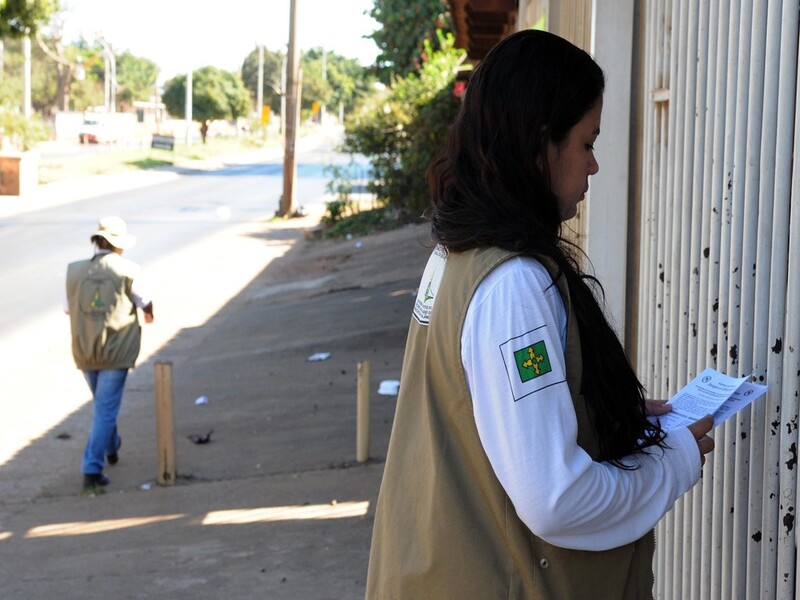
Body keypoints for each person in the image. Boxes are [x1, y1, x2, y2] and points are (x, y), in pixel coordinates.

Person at [365, 29, 714, 599]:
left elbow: (489, 413)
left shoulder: (456, 253)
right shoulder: (513, 285)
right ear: (538, 144)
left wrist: (603, 415)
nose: (595, 165)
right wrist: (673, 462)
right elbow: (557, 499)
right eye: (586, 142)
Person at [65, 216, 154, 493]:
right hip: (116, 352)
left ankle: (112, 446)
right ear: (119, 246)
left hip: (85, 350)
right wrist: (149, 312)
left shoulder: (75, 272)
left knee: (103, 407)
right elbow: (144, 300)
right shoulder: (127, 270)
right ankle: (91, 469)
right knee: (105, 409)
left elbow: (69, 309)